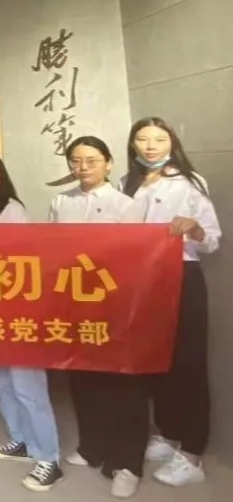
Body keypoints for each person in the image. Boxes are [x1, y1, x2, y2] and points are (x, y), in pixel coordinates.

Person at [121, 117, 221, 487]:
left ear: (171, 143)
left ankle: (192, 452)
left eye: (159, 139)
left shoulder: (190, 183)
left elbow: (212, 240)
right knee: (154, 358)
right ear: (132, 144)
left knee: (187, 363)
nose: (151, 146)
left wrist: (193, 228)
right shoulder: (125, 183)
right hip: (140, 281)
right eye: (142, 139)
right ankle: (167, 432)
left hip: (182, 276)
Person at [50, 136, 146, 498]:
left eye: (91, 160)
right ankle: (91, 446)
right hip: (75, 301)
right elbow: (51, 252)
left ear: (108, 163)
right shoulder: (61, 202)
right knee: (82, 376)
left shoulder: (126, 205)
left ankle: (128, 463)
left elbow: (138, 256)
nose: (83, 167)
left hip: (116, 302)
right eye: (76, 161)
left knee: (122, 383)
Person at [0, 151, 63, 492]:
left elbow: (25, 261)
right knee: (1, 381)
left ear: (0, 175)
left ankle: (49, 457)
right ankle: (22, 440)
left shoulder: (13, 210)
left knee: (27, 385)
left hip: (15, 308)